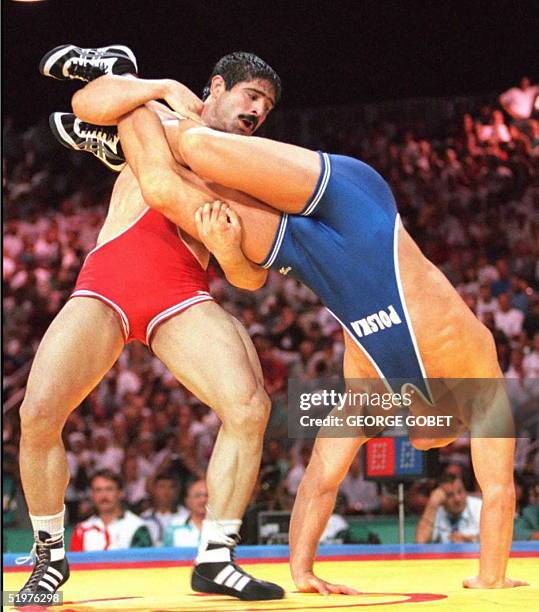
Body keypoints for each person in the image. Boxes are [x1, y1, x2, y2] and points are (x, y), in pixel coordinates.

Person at [52, 46, 523, 591]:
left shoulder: (368, 383)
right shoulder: (475, 357)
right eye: (436, 430)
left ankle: (126, 138)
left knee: (164, 187)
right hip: (357, 204)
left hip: (305, 250)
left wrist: (302, 572)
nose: (418, 435)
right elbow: (499, 491)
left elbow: (321, 482)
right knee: (199, 146)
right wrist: (491, 579)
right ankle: (125, 84)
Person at [17, 45, 285, 603]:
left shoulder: (246, 171)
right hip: (107, 284)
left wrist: (225, 247)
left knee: (249, 406)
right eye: (251, 95)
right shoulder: (164, 119)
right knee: (38, 412)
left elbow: (250, 279)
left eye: (267, 105)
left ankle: (217, 558)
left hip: (181, 293)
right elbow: (86, 101)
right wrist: (159, 84)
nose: (259, 110)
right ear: (215, 86)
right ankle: (49, 559)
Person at [69, 470, 152, 551]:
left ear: (120, 493)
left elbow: (143, 563)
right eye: (98, 490)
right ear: (92, 495)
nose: (103, 495)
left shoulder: (137, 527)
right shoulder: (81, 530)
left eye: (109, 489)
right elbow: (74, 564)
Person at [415, 473, 482, 544]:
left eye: (460, 492)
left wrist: (471, 539)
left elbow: (494, 537)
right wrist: (432, 504)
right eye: (450, 495)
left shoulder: (479, 507)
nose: (457, 499)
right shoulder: (437, 510)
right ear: (441, 498)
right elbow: (420, 541)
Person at [141, 473, 188, 547]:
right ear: (153, 490)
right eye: (161, 486)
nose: (166, 491)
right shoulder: (144, 518)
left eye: (171, 487)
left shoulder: (187, 517)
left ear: (176, 491)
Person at [164, 479, 208, 547]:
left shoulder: (222, 526)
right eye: (198, 496)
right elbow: (166, 555)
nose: (203, 500)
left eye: (207, 495)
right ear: (188, 501)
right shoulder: (174, 525)